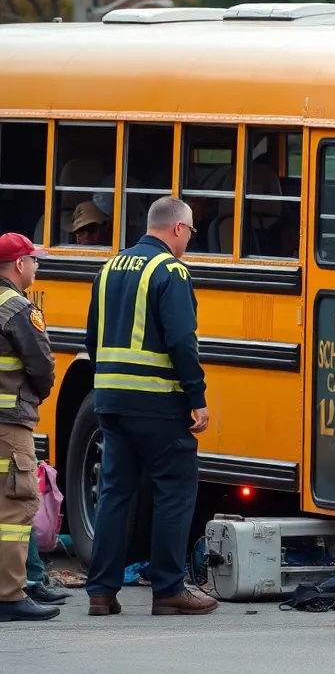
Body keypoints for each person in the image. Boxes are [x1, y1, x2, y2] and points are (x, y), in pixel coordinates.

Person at [84, 197, 216, 616]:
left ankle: (101, 592)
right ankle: (169, 590)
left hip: (110, 400)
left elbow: (92, 338)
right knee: (174, 491)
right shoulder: (170, 271)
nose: (189, 241)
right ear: (177, 228)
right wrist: (196, 398)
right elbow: (181, 340)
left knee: (114, 493)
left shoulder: (108, 268)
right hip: (157, 403)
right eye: (191, 232)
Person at [0, 233, 59, 622]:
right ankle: (10, 595)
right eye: (34, 260)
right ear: (20, 265)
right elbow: (42, 366)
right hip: (9, 425)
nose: (37, 266)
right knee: (15, 510)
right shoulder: (19, 309)